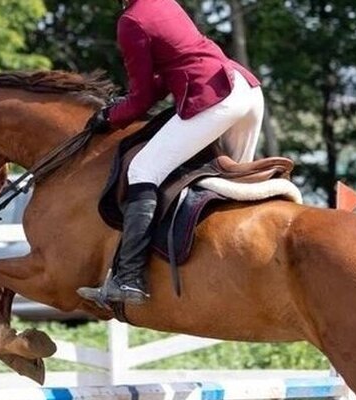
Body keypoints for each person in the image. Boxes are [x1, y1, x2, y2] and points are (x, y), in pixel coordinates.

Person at [77, 0, 265, 307]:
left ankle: (129, 278)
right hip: (245, 89)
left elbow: (140, 100)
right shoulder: (164, 3)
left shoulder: (132, 21)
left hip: (215, 97)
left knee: (142, 170)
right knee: (236, 184)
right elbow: (165, 77)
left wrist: (109, 117)